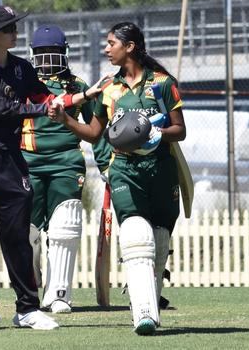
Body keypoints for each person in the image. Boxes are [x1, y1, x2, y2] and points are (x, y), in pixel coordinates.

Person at [0, 5, 101, 331]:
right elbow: (3, 109)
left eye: (14, 27)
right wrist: (43, 109)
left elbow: (47, 99)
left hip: (9, 160)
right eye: (8, 28)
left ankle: (27, 309)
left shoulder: (21, 68)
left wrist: (82, 97)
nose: (15, 33)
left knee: (17, 237)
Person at [50, 22, 186, 335]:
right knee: (136, 235)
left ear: (130, 46)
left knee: (159, 242)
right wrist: (66, 119)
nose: (106, 48)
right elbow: (94, 133)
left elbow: (181, 130)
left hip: (161, 170)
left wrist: (156, 132)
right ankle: (144, 315)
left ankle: (149, 303)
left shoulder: (164, 84)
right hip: (124, 170)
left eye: (112, 43)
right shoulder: (109, 89)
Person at [23, 25, 112, 313]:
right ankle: (29, 288)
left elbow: (96, 129)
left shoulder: (78, 85)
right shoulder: (24, 83)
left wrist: (105, 164)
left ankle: (59, 293)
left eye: (53, 53)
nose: (48, 59)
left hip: (66, 162)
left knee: (65, 227)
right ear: (33, 55)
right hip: (27, 164)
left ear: (64, 54)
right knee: (26, 231)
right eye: (42, 53)